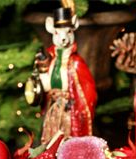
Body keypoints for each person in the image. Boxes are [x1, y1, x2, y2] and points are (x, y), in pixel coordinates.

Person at [33, 7, 97, 144]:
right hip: (55, 108)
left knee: (68, 139)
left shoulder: (76, 63)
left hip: (69, 110)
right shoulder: (53, 60)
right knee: (52, 138)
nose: (63, 38)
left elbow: (88, 91)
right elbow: (48, 84)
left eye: (68, 32)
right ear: (51, 31)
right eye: (58, 33)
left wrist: (77, 106)